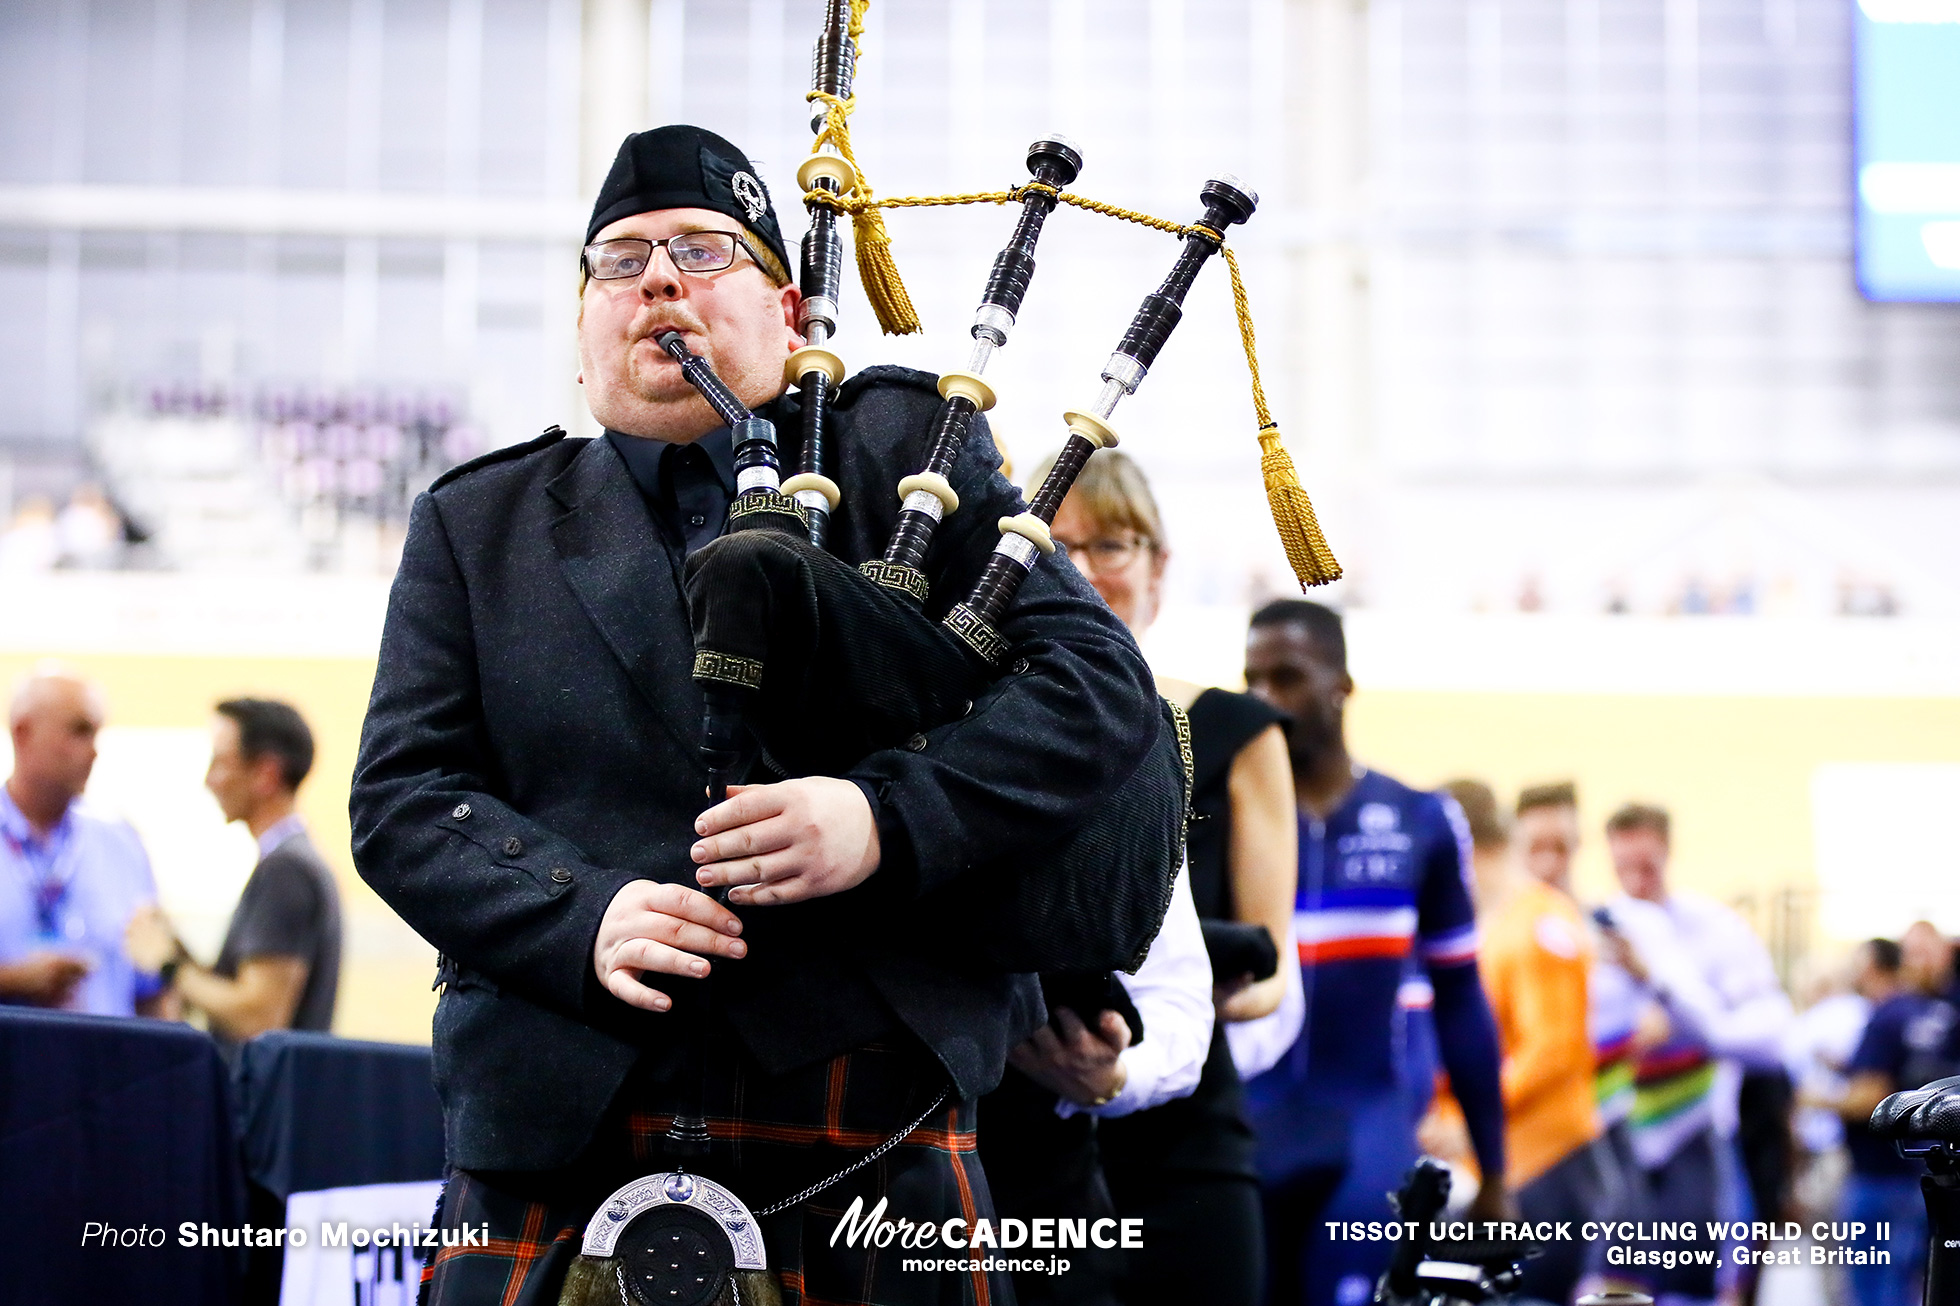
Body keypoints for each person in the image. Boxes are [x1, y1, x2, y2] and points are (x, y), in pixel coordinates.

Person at [349, 125, 1160, 1306]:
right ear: (582, 337)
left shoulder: (901, 450)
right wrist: (579, 914)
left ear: (788, 313)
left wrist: (886, 817)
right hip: (560, 1125)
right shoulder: (477, 525)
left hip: (869, 1120)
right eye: (617, 262)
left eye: (700, 250)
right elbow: (403, 797)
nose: (658, 280)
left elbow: (1096, 688)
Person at [1004, 449, 1297, 1306]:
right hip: (1026, 1129)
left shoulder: (1234, 732)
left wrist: (1149, 1006)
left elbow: (1272, 968)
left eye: (1111, 547)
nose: (1086, 573)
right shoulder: (991, 729)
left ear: (1159, 565)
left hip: (1181, 1125)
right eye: (1060, 549)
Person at [1240, 600, 1506, 1306]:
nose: (1266, 700)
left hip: (1369, 1130)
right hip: (1246, 1132)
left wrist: (1497, 1172)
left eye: (1288, 677)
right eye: (1252, 680)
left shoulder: (1422, 820)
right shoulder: (1221, 820)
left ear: (1341, 685)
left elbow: (1462, 1002)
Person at [1600, 802, 1793, 1306]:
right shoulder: (1603, 926)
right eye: (1624, 869)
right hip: (1623, 1134)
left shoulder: (1714, 928)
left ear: (1667, 851)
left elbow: (1770, 1033)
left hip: (1700, 1127)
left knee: (1703, 1278)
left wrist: (1678, 1008)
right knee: (1621, 1279)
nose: (1637, 881)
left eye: (1648, 867)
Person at [1448, 780, 1610, 1305]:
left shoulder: (1539, 923)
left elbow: (1554, 1048)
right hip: (1513, 1159)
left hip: (1544, 1161)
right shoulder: (1502, 923)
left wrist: (1472, 1116)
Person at [126, 698, 341, 1052]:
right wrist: (177, 951)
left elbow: (258, 1017)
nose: (209, 780)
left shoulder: (286, 871)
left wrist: (167, 966)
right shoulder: (294, 863)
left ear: (266, 774)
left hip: (267, 1103)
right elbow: (239, 994)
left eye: (220, 762)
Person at [1805, 925, 1958, 1306]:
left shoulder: (1890, 1013)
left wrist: (1813, 1100)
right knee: (1919, 1283)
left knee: (1873, 1287)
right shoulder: (1945, 1015)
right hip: (1931, 1171)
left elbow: (1873, 1097)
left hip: (1879, 1175)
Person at [0, 667, 165, 1016]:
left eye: (96, 734)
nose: (94, 751)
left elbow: (153, 987)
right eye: (79, 731)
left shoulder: (122, 845)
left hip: (106, 1065)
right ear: (22, 733)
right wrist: (12, 981)